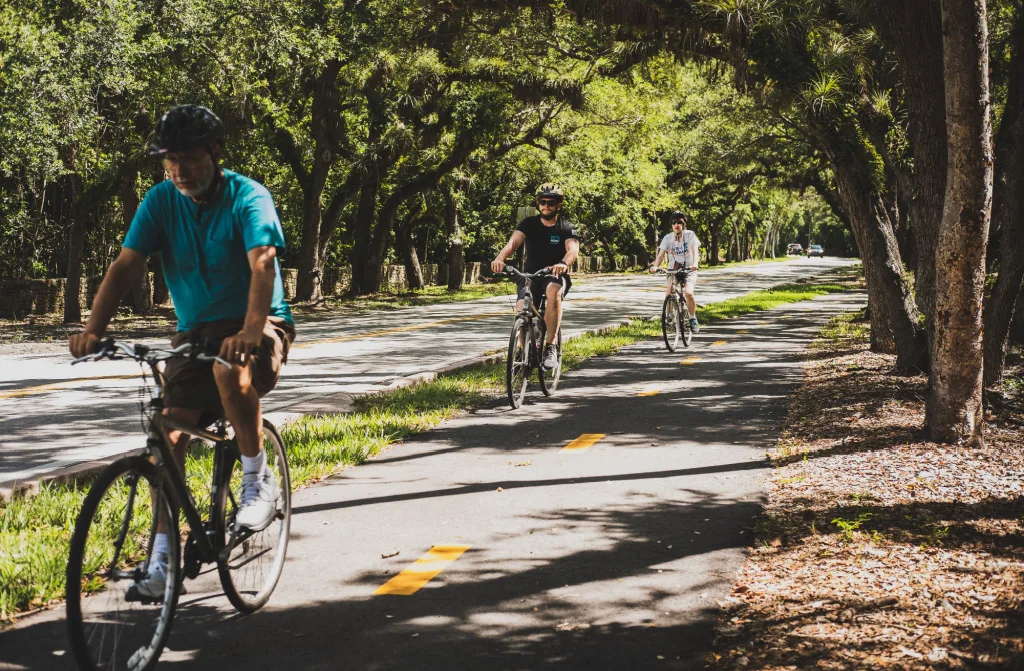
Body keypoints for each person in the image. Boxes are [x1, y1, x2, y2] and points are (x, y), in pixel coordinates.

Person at [68, 104, 296, 597]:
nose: (179, 171)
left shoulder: (248, 197)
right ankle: (161, 562)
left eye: (190, 158)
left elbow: (262, 266)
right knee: (167, 444)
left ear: (214, 153)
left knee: (228, 373)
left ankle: (258, 479)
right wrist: (93, 329)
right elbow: (126, 265)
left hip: (261, 322)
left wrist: (253, 332)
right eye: (170, 161)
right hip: (194, 331)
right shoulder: (159, 202)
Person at [491, 183, 580, 370]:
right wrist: (500, 258)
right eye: (542, 202)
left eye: (551, 202)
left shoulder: (566, 227)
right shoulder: (528, 223)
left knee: (553, 292)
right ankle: (524, 353)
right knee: (520, 307)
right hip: (530, 274)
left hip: (554, 274)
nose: (546, 206)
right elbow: (513, 243)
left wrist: (563, 263)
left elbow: (573, 249)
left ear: (558, 205)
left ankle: (551, 346)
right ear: (538, 203)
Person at [650, 210, 700, 333]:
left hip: (689, 268)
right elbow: (660, 255)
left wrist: (695, 264)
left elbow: (695, 251)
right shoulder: (668, 238)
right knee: (669, 290)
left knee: (688, 293)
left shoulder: (690, 235)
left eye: (679, 222)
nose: (676, 224)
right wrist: (655, 266)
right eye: (673, 222)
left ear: (684, 225)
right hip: (674, 269)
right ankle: (669, 316)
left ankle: (693, 318)